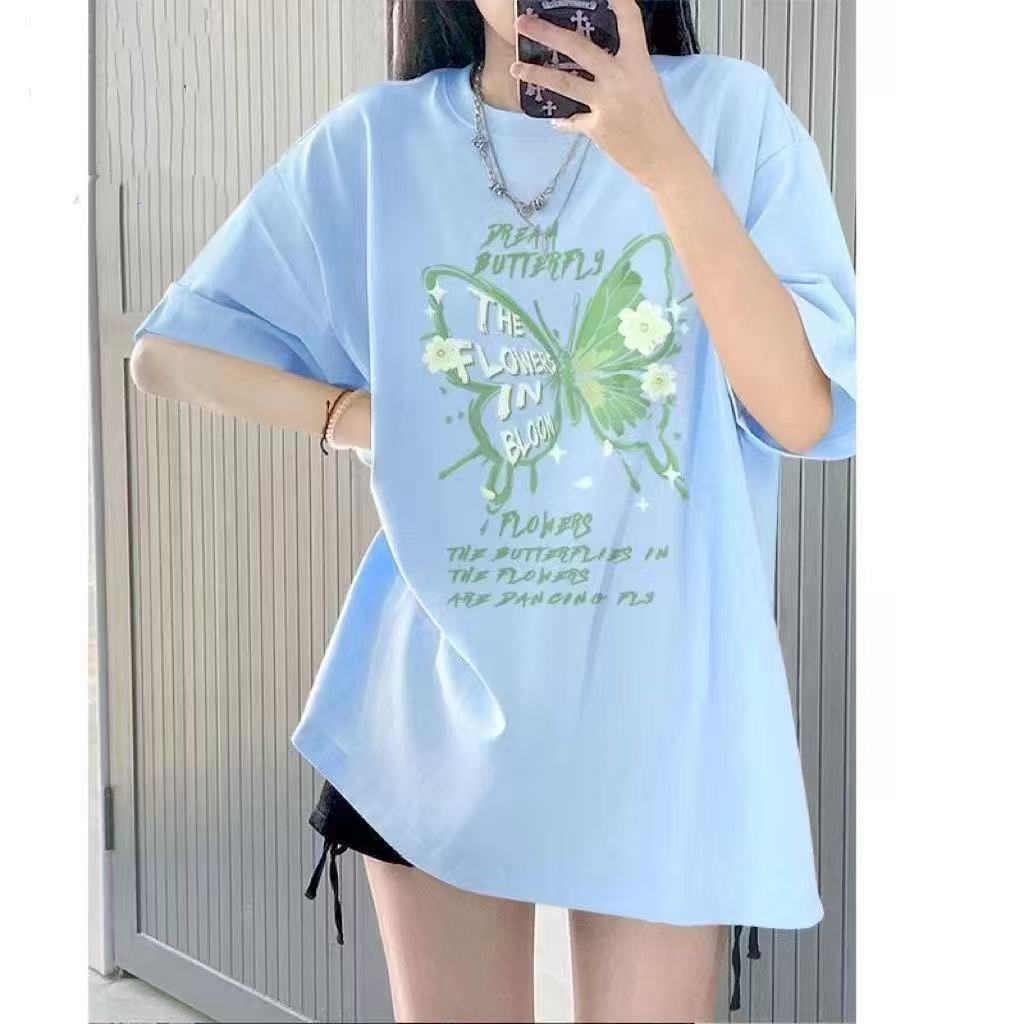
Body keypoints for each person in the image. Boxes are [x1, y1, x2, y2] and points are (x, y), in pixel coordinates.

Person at [130, 1, 855, 1020]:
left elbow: (801, 411)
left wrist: (664, 158)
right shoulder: (379, 141)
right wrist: (360, 415)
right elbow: (167, 354)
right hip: (435, 715)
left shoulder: (732, 117)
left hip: (663, 724)